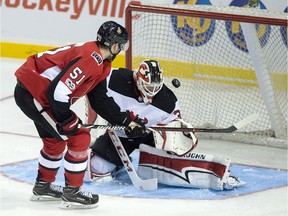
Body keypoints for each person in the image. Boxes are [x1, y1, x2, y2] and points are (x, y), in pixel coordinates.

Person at [14, 21, 143, 209]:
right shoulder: (91, 59)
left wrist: (126, 121)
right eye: (121, 44)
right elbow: (58, 92)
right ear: (114, 44)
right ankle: (72, 193)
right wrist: (67, 119)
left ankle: (43, 187)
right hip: (33, 93)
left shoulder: (101, 62)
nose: (122, 49)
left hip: (36, 93)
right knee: (80, 136)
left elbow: (99, 100)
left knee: (55, 141)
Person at [85, 60, 245, 190]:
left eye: (156, 87)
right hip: (120, 137)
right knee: (97, 169)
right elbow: (92, 87)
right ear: (138, 80)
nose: (152, 92)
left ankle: (215, 172)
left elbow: (174, 130)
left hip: (150, 138)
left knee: (167, 167)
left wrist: (178, 136)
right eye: (148, 87)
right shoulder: (115, 78)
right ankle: (117, 164)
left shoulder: (168, 101)